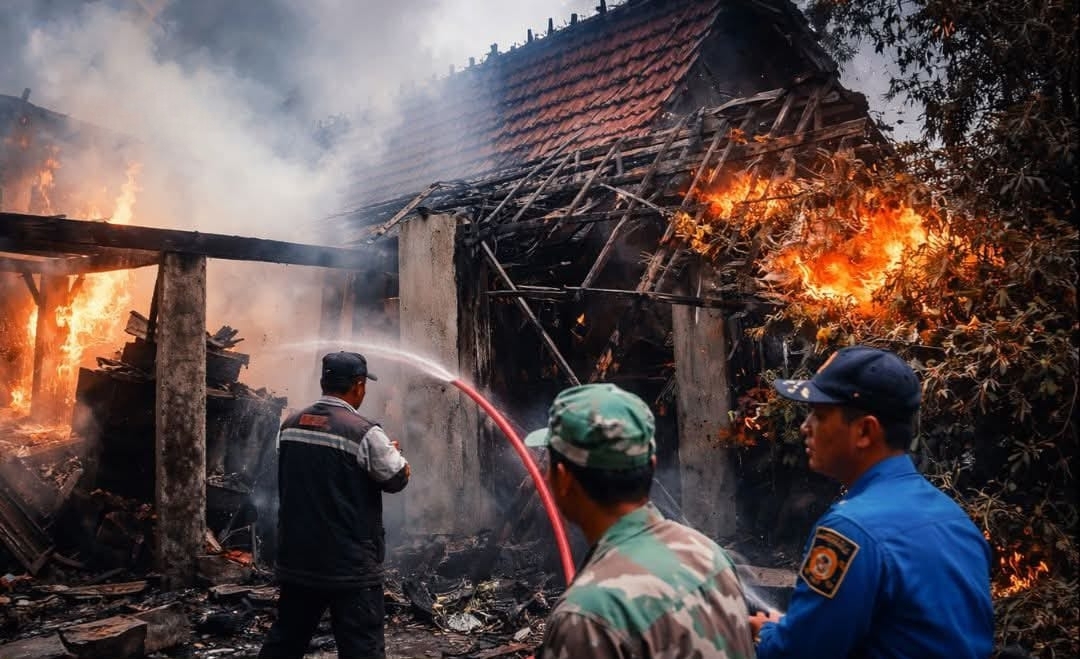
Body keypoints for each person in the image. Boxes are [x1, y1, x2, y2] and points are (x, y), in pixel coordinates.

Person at [751, 345, 994, 658]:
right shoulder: (954, 519)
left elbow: (800, 653)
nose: (805, 426)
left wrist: (765, 634)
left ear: (865, 431)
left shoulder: (849, 531)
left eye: (820, 415)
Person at [525, 383, 756, 659]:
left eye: (547, 463)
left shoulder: (587, 617)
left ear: (563, 478)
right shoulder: (710, 554)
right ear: (652, 465)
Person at [259, 351, 410, 659]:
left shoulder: (290, 425)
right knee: (361, 648)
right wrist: (396, 457)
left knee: (285, 641)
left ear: (323, 382)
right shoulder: (365, 432)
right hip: (349, 566)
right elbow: (396, 479)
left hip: (298, 559)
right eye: (363, 385)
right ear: (357, 385)